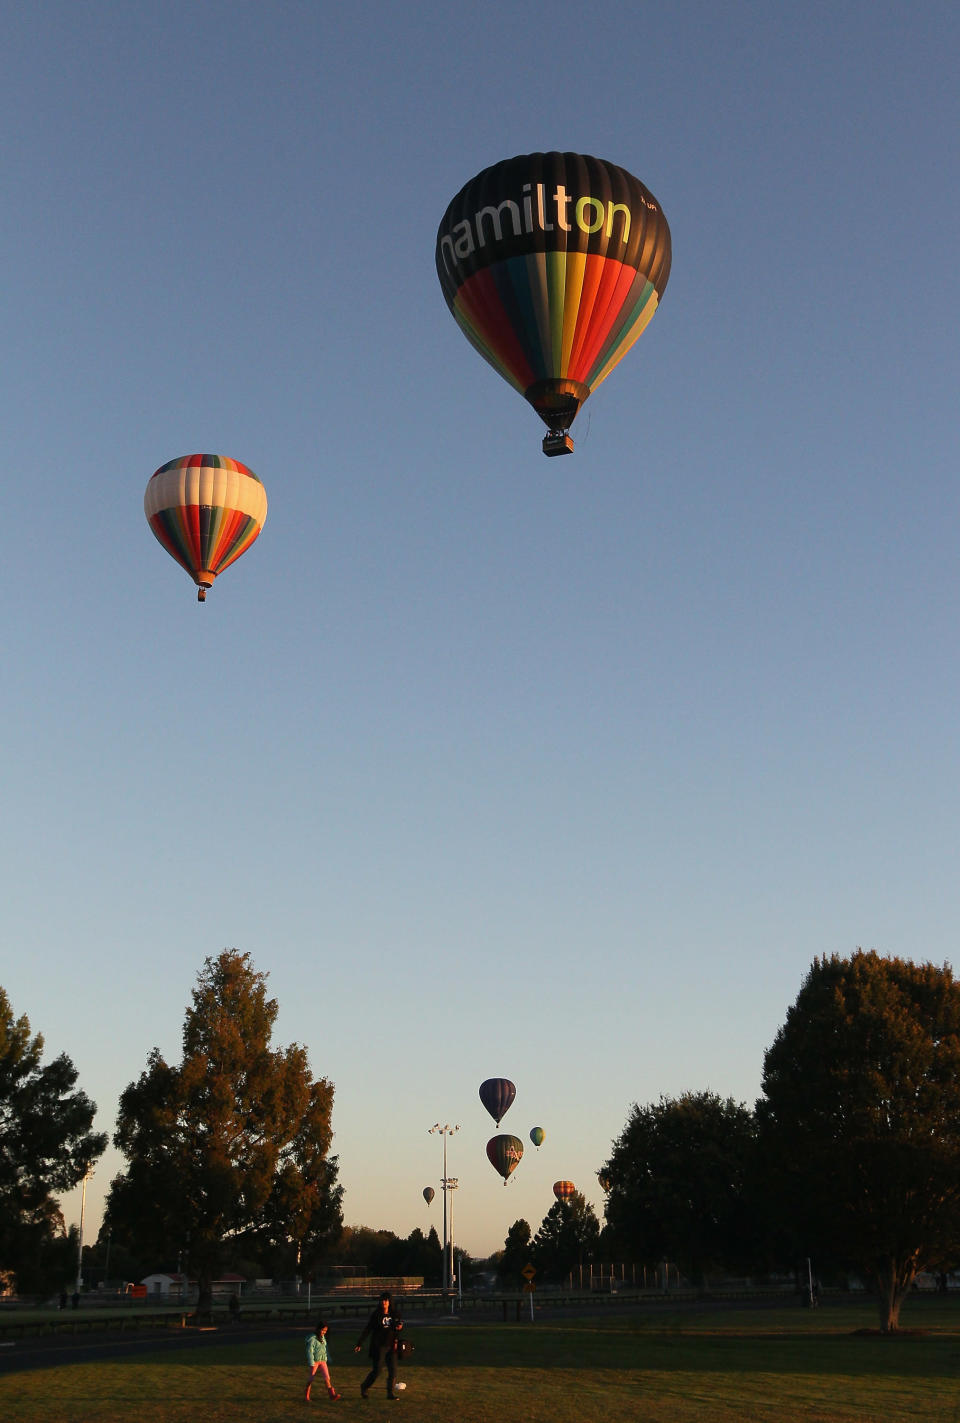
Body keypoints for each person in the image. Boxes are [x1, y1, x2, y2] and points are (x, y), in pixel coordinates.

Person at [354, 1292, 403, 1400]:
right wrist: (360, 1343)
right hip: (379, 1346)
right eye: (382, 1300)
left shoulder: (395, 1313)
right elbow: (368, 1329)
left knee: (393, 1370)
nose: (384, 1302)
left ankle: (390, 1393)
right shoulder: (376, 1314)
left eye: (386, 1300)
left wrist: (400, 1327)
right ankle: (364, 1386)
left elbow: (399, 1326)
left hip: (391, 1346)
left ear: (390, 1302)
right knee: (377, 1370)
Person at [305, 1320, 342, 1402]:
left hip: (323, 1361)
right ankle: (306, 1395)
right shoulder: (312, 1339)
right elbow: (309, 1351)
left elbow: (325, 1349)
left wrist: (328, 1357)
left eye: (325, 1331)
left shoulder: (323, 1338)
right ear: (318, 1329)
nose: (324, 1332)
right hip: (314, 1362)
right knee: (311, 1378)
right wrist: (311, 1362)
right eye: (323, 1330)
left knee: (327, 1378)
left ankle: (332, 1395)